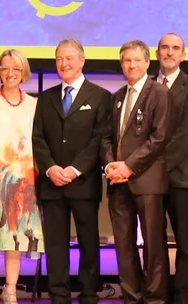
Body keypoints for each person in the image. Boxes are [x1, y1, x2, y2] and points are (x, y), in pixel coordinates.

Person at [31, 38, 113, 304]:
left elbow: (100, 138)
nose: (63, 64)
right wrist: (51, 168)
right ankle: (59, 293)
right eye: (59, 59)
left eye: (69, 58)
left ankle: (89, 292)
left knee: (89, 241)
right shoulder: (45, 97)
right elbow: (37, 138)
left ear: (82, 60)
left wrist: (76, 169)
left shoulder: (100, 96)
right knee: (55, 242)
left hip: (83, 182)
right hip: (52, 183)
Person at [107, 39, 174, 304]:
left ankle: (155, 298)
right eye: (127, 61)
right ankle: (131, 296)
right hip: (118, 183)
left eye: (137, 60)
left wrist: (129, 166)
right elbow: (107, 138)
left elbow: (159, 138)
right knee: (123, 246)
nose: (131, 65)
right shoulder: (117, 97)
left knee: (153, 246)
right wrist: (112, 164)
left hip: (148, 182)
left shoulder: (160, 93)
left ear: (148, 62)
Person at [0, 49, 43, 304]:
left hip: (24, 181)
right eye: (5, 68)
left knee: (16, 240)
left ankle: (11, 289)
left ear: (23, 72)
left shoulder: (34, 104)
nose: (10, 73)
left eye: (16, 68)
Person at [153, 33, 188, 304]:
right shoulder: (147, 86)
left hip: (181, 176)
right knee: (154, 240)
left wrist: (156, 164)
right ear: (157, 52)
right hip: (149, 179)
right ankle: (158, 293)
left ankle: (185, 295)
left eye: (175, 48)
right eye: (165, 47)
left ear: (183, 55)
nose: (169, 52)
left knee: (186, 239)